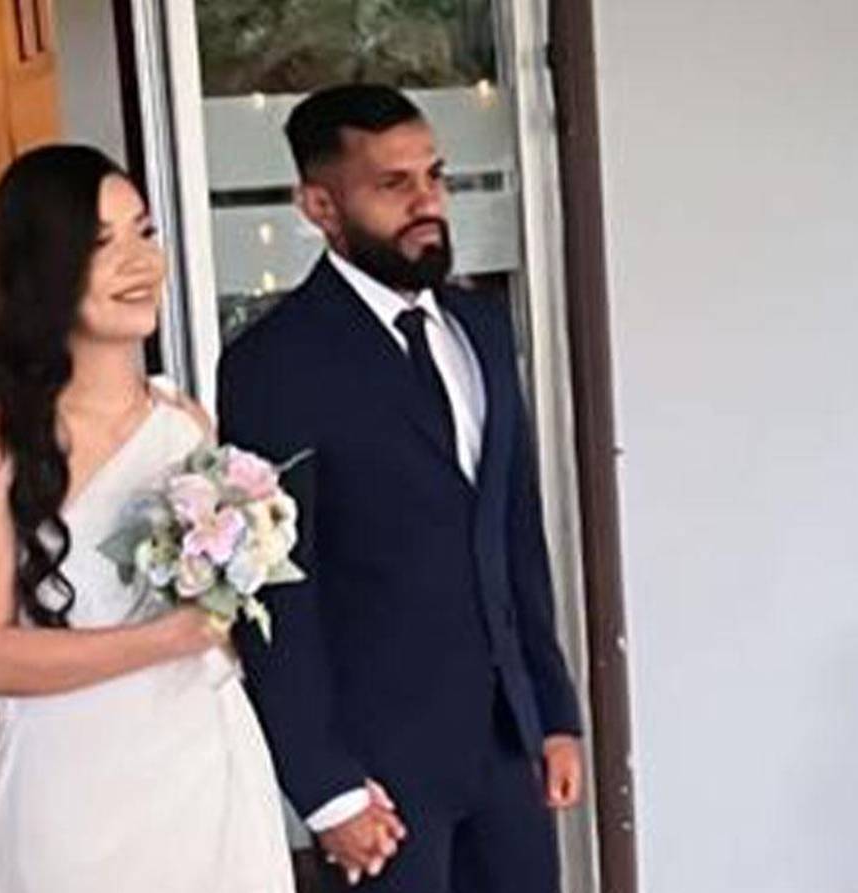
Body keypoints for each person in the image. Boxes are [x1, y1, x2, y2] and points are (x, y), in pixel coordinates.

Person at [218, 84, 585, 893]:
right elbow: (276, 590)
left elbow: (515, 533)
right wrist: (322, 785)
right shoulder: (275, 364)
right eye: (393, 184)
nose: (427, 202)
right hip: (378, 775)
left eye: (435, 176)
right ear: (320, 204)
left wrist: (554, 712)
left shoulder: (481, 330)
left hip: (505, 746)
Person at [0, 144, 295, 892]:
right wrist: (168, 637)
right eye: (102, 243)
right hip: (73, 788)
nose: (139, 260)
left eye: (145, 231)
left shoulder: (187, 423)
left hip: (204, 767)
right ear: (43, 270)